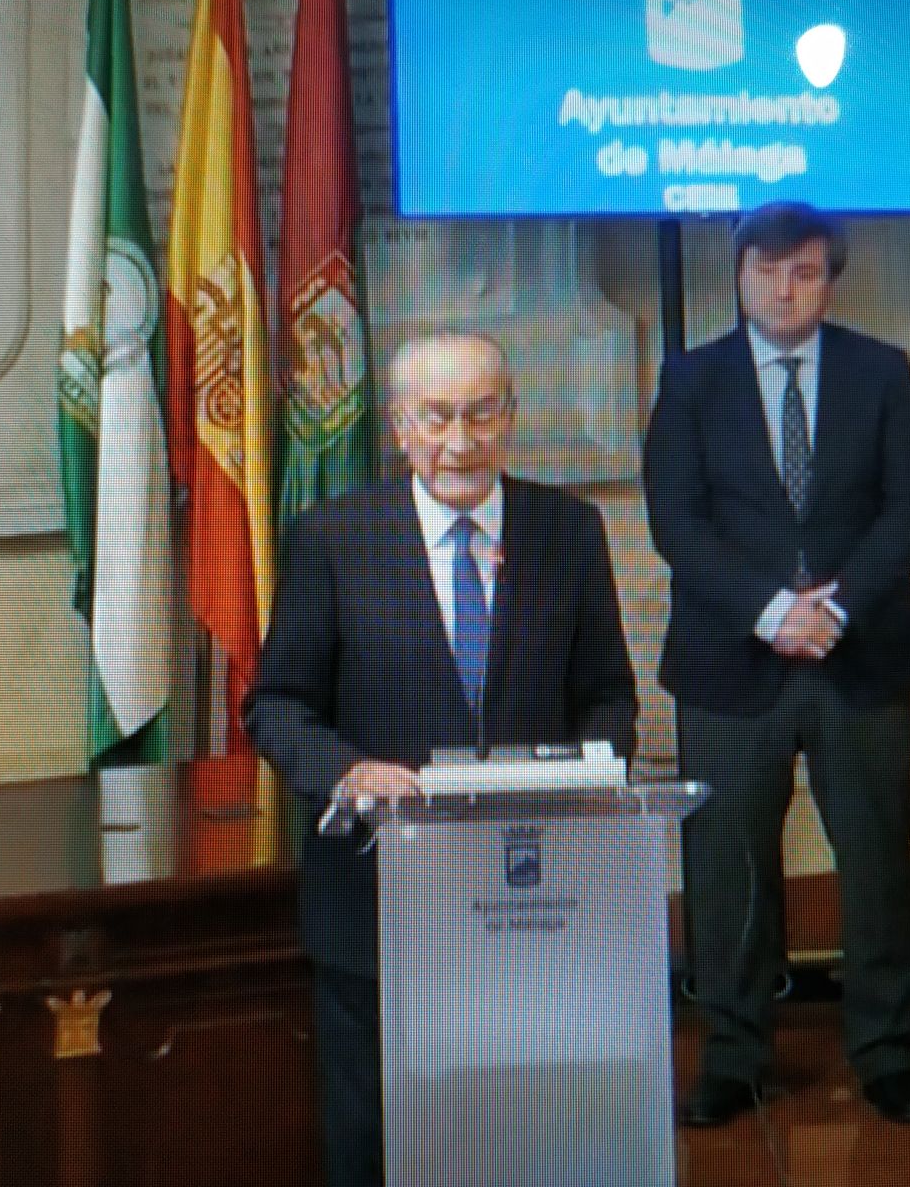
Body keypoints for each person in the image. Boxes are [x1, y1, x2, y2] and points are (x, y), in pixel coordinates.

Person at [245, 331, 638, 1187]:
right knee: (377, 1133)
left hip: (527, 897)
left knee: (518, 1125)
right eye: (436, 416)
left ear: (511, 416)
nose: (459, 441)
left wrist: (575, 776)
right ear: (397, 423)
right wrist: (347, 772)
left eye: (481, 413)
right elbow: (274, 705)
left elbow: (609, 696)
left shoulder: (569, 531)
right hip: (378, 894)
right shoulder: (331, 538)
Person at [643, 202, 910, 1126]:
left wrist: (835, 610)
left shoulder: (880, 372)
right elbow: (676, 521)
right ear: (738, 274)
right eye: (766, 269)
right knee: (728, 867)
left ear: (830, 278)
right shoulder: (691, 380)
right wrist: (773, 613)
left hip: (863, 660)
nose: (783, 286)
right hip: (733, 665)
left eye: (804, 271)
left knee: (879, 862)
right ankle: (735, 1057)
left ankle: (887, 1051)